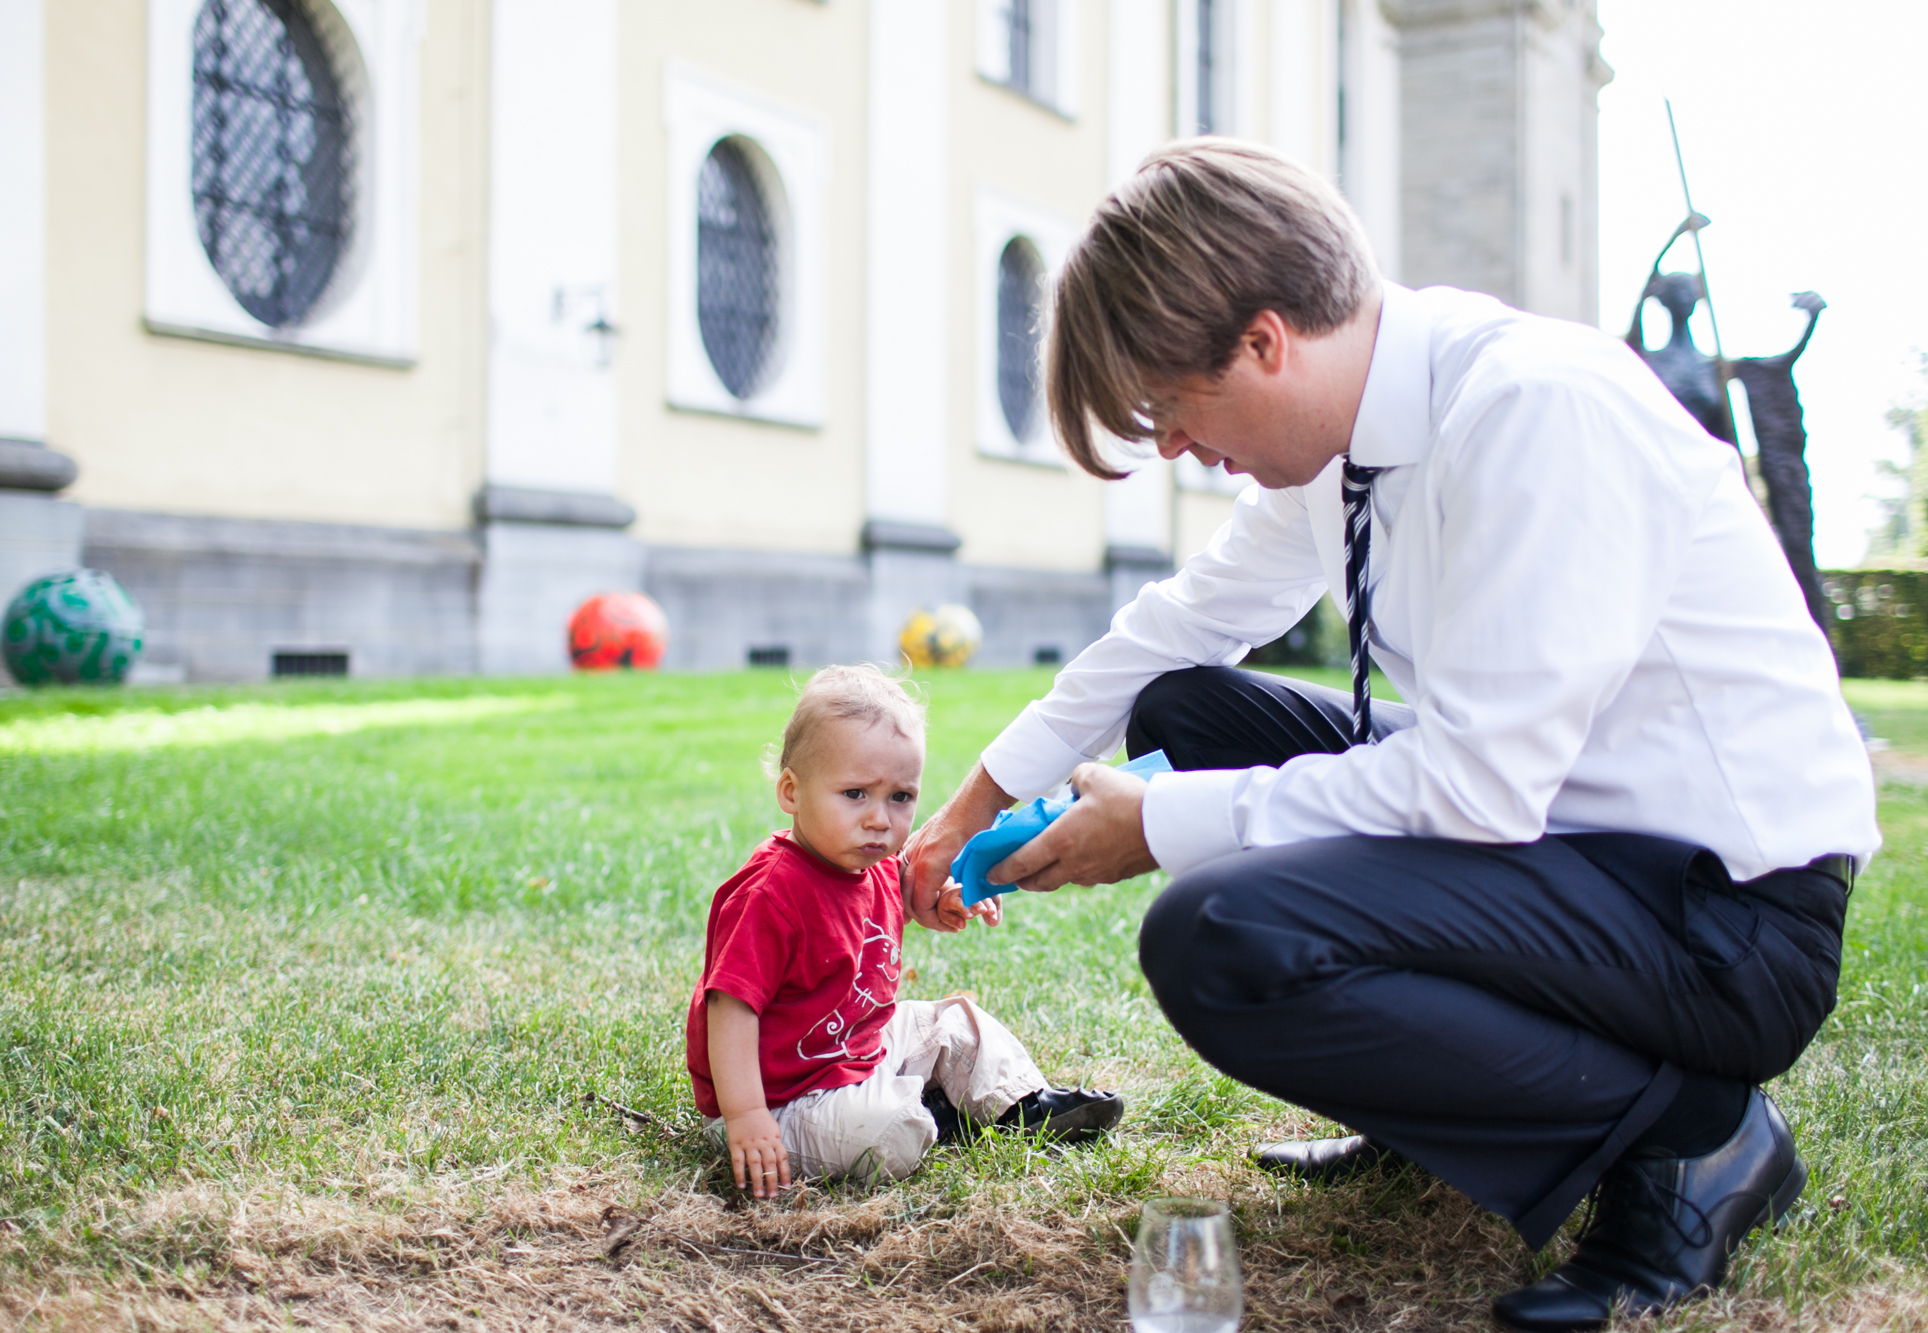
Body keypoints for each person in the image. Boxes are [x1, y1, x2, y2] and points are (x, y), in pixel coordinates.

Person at [900, 142, 1877, 1330]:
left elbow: (1480, 784)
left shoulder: (1531, 410)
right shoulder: (1347, 435)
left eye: (1168, 405)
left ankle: (1697, 1144)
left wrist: (1158, 823)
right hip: (1567, 842)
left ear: (1263, 343)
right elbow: (1172, 628)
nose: (1167, 446)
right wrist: (971, 802)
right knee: (1183, 705)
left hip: (1721, 918)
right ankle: (1433, 1103)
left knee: (1216, 934)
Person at [684, 664, 1124, 1197]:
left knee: (956, 1022)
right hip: (784, 1099)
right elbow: (729, 1008)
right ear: (791, 791)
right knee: (886, 1132)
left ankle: (1021, 1106)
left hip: (859, 1048)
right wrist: (746, 1115)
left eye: (900, 797)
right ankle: (934, 1113)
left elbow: (893, 906)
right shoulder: (770, 894)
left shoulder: (872, 867)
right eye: (854, 794)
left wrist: (944, 900)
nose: (879, 819)